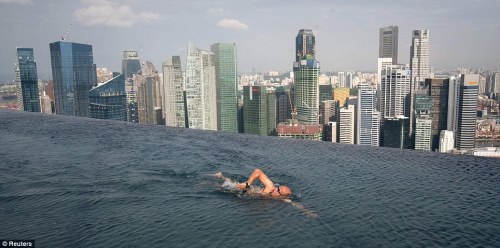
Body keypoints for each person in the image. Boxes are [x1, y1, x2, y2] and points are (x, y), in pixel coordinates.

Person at [215, 168, 292, 198]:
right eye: (277, 188)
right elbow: (258, 171)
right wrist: (248, 184)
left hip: (246, 193)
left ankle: (221, 176)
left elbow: (294, 204)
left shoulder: (280, 199)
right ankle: (218, 178)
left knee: (229, 184)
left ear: (280, 196)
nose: (275, 189)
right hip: (245, 189)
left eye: (278, 190)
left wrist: (304, 211)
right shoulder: (270, 187)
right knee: (222, 187)